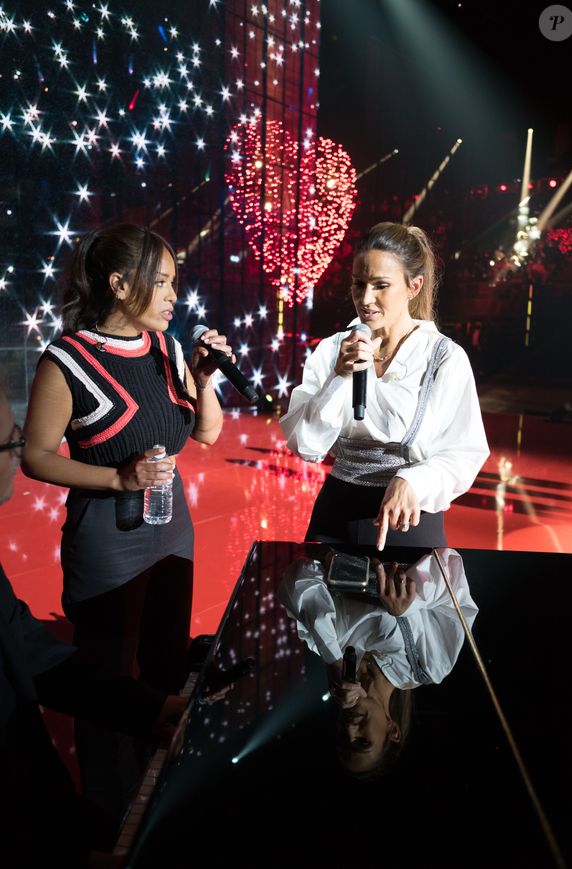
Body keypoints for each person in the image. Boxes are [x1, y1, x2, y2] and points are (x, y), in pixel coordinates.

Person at [21, 222, 231, 822]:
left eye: (173, 283)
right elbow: (36, 456)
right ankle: (109, 818)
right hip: (107, 544)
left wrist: (206, 378)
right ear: (118, 285)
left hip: (173, 534)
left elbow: (207, 433)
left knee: (166, 670)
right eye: (159, 282)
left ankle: (156, 802)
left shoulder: (165, 349)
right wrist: (119, 479)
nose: (172, 296)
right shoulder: (67, 359)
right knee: (107, 684)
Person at [0, 375, 187, 867]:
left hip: (45, 810)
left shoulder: (166, 354)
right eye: (10, 441)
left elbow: (37, 655)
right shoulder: (68, 361)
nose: (18, 452)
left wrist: (154, 709)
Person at [280, 221, 489, 549]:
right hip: (335, 512)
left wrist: (413, 480)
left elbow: (464, 451)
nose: (365, 299)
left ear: (413, 286)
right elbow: (306, 445)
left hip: (407, 516)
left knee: (401, 599)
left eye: (380, 285)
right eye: (358, 283)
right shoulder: (333, 349)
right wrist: (338, 378)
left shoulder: (444, 357)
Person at [277, 548, 478, 776]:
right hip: (409, 532)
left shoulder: (328, 649)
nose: (351, 730)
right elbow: (451, 572)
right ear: (392, 730)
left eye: (343, 737)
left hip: (343, 529)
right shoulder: (431, 667)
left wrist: (333, 660)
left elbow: (300, 575)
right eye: (363, 742)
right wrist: (410, 605)